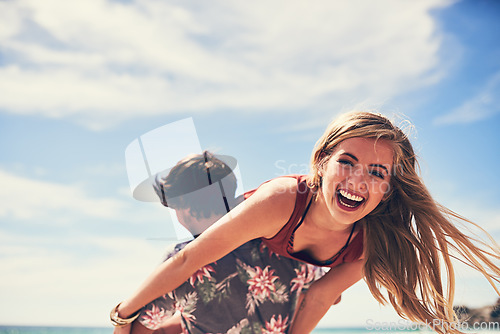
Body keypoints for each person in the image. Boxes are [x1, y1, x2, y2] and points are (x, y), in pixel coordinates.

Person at [112, 111, 500, 334]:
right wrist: (122, 316)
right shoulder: (282, 200)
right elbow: (188, 260)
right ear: (321, 162)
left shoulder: (370, 241)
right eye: (346, 162)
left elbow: (318, 297)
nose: (357, 180)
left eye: (377, 172)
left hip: (280, 294)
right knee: (163, 303)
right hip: (221, 261)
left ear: (389, 190)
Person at [125, 151, 323, 334]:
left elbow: (141, 328)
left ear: (184, 205)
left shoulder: (179, 263)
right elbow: (323, 293)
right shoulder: (278, 241)